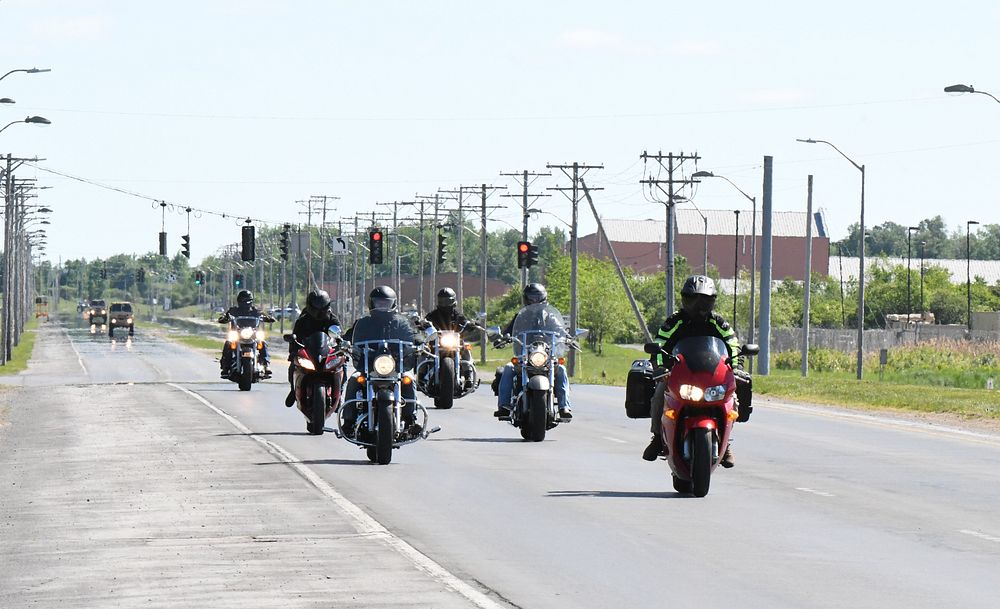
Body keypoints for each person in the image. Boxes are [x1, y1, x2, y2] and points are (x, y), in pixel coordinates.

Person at [642, 275, 751, 467]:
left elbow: (733, 345)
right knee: (659, 394)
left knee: (732, 399)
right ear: (685, 299)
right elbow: (659, 344)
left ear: (712, 301)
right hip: (678, 373)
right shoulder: (674, 321)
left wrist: (737, 368)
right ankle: (657, 437)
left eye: (704, 300)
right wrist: (660, 367)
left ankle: (725, 443)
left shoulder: (718, 322)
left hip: (712, 375)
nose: (698, 305)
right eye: (693, 299)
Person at [340, 286, 425, 435]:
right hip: (370, 365)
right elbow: (350, 336)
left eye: (385, 303)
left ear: (392, 304)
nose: (382, 306)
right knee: (354, 380)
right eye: (379, 303)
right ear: (372, 304)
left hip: (395, 365)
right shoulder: (364, 322)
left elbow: (413, 335)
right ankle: (348, 422)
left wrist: (420, 343)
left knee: (408, 380)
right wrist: (343, 343)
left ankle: (411, 420)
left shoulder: (401, 323)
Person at [494, 283, 573, 420]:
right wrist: (502, 338)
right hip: (525, 354)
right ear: (526, 299)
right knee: (508, 369)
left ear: (543, 298)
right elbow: (508, 331)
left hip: (545, 354)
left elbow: (560, 330)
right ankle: (504, 406)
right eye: (532, 298)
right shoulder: (520, 316)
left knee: (561, 370)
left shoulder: (550, 317)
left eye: (538, 298)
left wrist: (569, 339)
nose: (535, 301)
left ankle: (563, 407)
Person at [285, 290, 342, 407]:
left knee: (342, 366)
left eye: (322, 308)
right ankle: (293, 390)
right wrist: (293, 352)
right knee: (293, 366)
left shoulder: (332, 319)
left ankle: (339, 393)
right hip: (308, 352)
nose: (319, 312)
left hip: (327, 353)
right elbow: (294, 338)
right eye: (316, 308)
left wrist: (341, 349)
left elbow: (339, 336)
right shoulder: (303, 320)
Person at [421, 287, 475, 386]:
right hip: (436, 343)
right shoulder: (433, 315)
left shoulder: (458, 315)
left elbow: (466, 322)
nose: (445, 303)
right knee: (423, 350)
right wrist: (422, 324)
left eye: (447, 301)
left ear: (453, 301)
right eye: (442, 301)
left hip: (455, 343)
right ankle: (421, 377)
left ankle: (468, 377)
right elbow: (425, 322)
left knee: (466, 347)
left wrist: (472, 325)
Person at [219, 290, 274, 378]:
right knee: (228, 343)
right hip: (238, 333)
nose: (245, 303)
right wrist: (224, 318)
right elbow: (226, 316)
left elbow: (263, 315)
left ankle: (266, 365)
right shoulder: (234, 310)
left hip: (252, 334)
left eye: (247, 300)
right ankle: (225, 367)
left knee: (262, 342)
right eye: (243, 300)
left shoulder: (255, 311)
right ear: (239, 301)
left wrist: (268, 318)